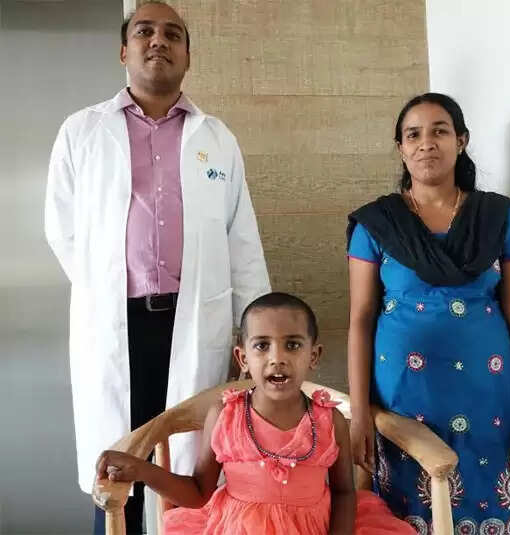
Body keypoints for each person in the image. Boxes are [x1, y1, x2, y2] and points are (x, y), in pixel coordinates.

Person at [44, 1, 270, 532]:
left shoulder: (216, 138)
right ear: (124, 51)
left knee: (189, 476)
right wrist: (105, 286)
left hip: (193, 324)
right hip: (116, 324)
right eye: (144, 31)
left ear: (188, 56)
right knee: (117, 469)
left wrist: (254, 333)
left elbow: (242, 241)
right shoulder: (82, 131)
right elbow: (62, 229)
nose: (158, 41)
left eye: (173, 34)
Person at [346, 93, 510, 533]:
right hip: (405, 404)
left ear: (461, 141)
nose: (426, 143)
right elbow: (361, 319)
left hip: (491, 403)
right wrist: (359, 411)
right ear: (400, 148)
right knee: (406, 519)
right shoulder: (377, 224)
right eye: (413, 135)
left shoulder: (499, 217)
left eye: (439, 131)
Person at [96, 292, 416, 535]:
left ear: (313, 355)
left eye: (292, 345)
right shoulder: (225, 415)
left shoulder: (328, 420)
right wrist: (144, 470)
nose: (277, 358)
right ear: (243, 358)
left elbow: (345, 493)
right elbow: (197, 492)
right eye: (262, 346)